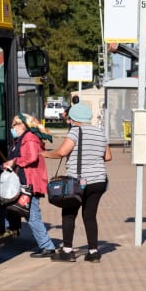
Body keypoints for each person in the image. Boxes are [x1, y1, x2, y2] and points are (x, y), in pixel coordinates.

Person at [42, 103, 112, 262]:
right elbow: (108, 157)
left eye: (70, 118)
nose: (69, 121)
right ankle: (93, 253)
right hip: (99, 180)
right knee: (90, 216)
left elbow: (62, 152)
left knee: (69, 214)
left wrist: (45, 154)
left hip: (78, 181)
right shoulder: (100, 132)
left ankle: (67, 251)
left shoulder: (75, 131)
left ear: (74, 119)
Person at [4, 113, 58, 258]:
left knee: (32, 216)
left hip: (30, 183)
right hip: (26, 182)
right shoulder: (22, 138)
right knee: (21, 211)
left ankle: (48, 246)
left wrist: (14, 162)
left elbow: (32, 157)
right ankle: (8, 228)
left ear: (22, 124)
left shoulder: (29, 138)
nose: (12, 128)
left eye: (14, 125)